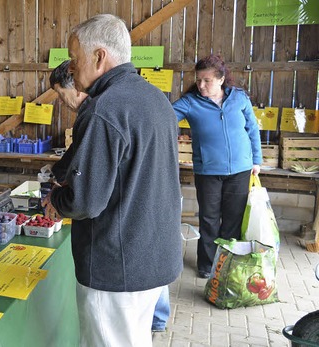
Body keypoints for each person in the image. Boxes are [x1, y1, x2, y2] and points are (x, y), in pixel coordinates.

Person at [41, 14, 183, 346]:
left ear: (100, 57)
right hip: (152, 257)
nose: (72, 69)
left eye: (75, 59)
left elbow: (86, 201)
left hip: (117, 267)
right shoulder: (155, 99)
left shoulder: (104, 110)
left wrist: (56, 202)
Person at [172, 54, 262, 279]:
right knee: (209, 219)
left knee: (233, 218)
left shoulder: (239, 98)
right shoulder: (190, 102)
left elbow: (252, 129)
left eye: (207, 81)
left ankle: (227, 261)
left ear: (221, 80)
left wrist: (256, 160)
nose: (201, 85)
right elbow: (165, 116)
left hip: (240, 170)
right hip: (208, 171)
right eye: (199, 80)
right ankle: (207, 265)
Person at [48, 60, 88, 182]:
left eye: (61, 94)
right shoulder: (86, 113)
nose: (60, 100)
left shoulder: (93, 116)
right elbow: (75, 150)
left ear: (77, 87)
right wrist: (56, 173)